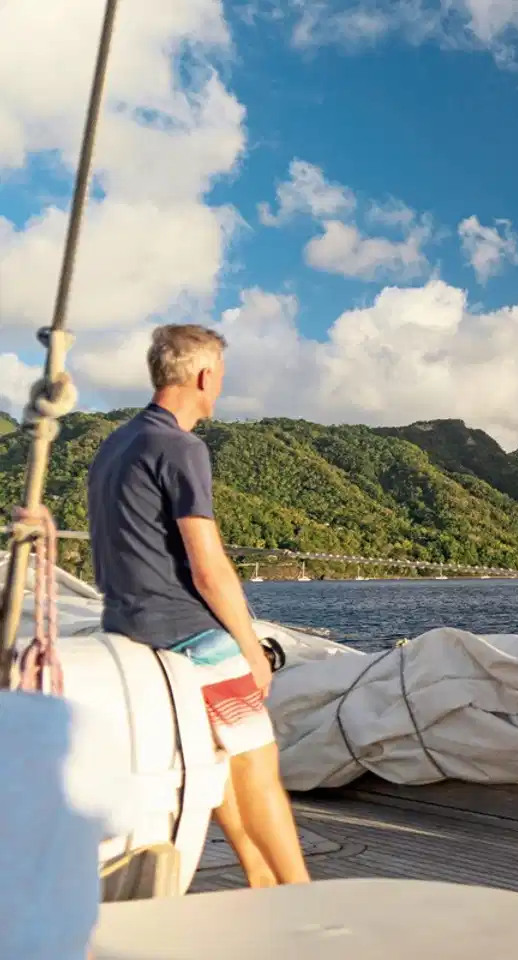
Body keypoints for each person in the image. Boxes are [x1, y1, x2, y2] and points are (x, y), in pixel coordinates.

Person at [86, 324, 310, 887]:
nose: (221, 390)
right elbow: (207, 566)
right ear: (205, 376)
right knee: (258, 769)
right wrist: (249, 647)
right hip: (184, 631)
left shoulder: (115, 445)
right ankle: (305, 897)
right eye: (222, 379)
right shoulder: (181, 447)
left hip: (126, 626)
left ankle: (259, 880)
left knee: (221, 764)